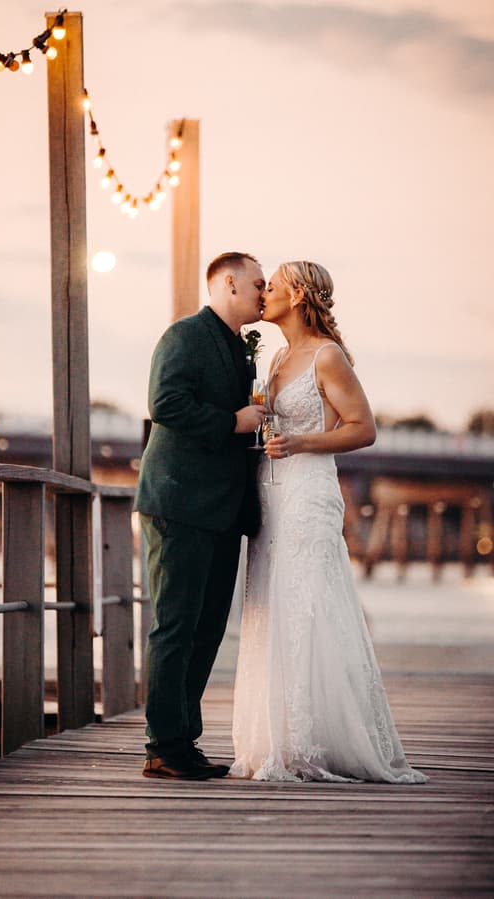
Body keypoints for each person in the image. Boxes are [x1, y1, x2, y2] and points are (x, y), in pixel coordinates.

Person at [230, 261, 428, 784]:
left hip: (307, 492)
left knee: (309, 603)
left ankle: (316, 739)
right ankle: (277, 737)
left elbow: (364, 429)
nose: (263, 292)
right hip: (270, 496)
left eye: (271, 285)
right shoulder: (275, 357)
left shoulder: (326, 355)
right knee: (271, 605)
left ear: (296, 295)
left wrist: (301, 442)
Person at [135, 251, 267, 780]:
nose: (266, 291)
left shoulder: (241, 349)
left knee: (208, 627)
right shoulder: (185, 335)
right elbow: (165, 404)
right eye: (259, 283)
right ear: (229, 283)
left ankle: (182, 742)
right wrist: (235, 422)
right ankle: (162, 745)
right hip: (179, 503)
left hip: (221, 511)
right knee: (175, 626)